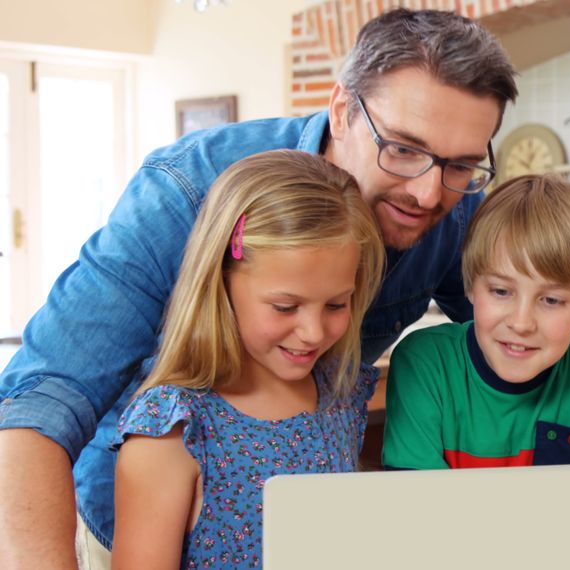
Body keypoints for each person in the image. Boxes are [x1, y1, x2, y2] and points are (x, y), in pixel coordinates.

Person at [0, 8, 570, 568]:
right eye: (405, 150)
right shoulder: (190, 192)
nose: (429, 191)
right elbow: (41, 402)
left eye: (461, 163)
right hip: (138, 528)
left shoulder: (454, 215)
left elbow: (520, 348)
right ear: (342, 108)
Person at [382, 174, 570, 569]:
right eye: (501, 292)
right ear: (470, 287)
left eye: (551, 300)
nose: (521, 322)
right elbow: (418, 527)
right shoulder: (423, 364)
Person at [109, 150, 384, 569]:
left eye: (335, 304)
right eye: (285, 307)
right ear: (221, 283)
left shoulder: (341, 395)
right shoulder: (173, 430)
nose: (313, 332)